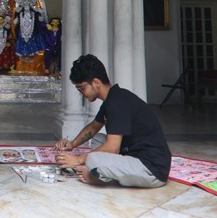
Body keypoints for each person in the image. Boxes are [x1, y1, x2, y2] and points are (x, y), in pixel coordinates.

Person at [54, 54, 171, 188]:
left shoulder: (117, 103)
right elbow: (93, 128)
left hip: (150, 169)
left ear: (96, 83)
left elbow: (113, 147)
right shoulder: (113, 98)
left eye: (82, 88)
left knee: (93, 159)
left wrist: (78, 159)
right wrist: (72, 144)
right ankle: (97, 171)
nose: (81, 94)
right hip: (133, 155)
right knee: (98, 139)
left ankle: (95, 175)